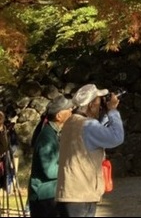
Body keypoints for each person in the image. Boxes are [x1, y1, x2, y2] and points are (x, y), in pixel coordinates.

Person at [56, 83, 124, 217]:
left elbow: (97, 130)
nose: (100, 105)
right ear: (91, 104)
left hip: (70, 194)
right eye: (99, 101)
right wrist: (112, 111)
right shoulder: (87, 125)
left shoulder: (71, 122)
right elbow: (117, 137)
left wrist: (105, 113)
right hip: (81, 196)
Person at [28, 94, 74, 217]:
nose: (71, 111)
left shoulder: (54, 133)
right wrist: (71, 168)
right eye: (68, 109)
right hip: (44, 196)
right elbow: (49, 171)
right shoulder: (47, 138)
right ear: (59, 116)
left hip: (50, 194)